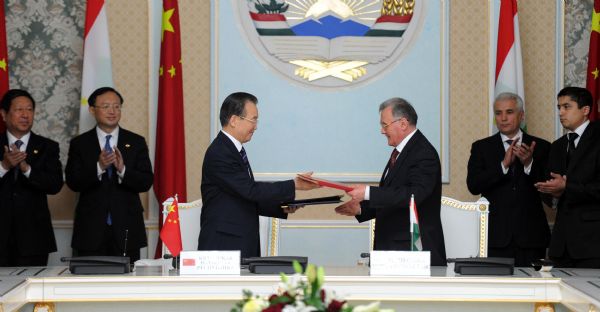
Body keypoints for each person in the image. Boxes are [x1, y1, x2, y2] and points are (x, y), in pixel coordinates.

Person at [198, 92, 318, 258]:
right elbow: (250, 190)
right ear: (234, 120)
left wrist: (282, 206)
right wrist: (294, 184)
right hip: (224, 246)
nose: (256, 126)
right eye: (253, 120)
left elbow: (242, 198)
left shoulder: (233, 150)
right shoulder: (220, 153)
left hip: (239, 242)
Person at [335, 97, 446, 266]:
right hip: (394, 250)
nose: (382, 131)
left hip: (412, 252)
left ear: (402, 123)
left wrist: (367, 193)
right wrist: (361, 208)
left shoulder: (423, 153)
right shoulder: (402, 151)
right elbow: (393, 196)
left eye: (384, 125)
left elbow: (414, 195)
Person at [66, 87, 153, 263]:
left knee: (127, 286)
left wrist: (122, 170)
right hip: (90, 230)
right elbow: (73, 182)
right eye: (105, 106)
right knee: (88, 285)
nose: (112, 111)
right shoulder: (80, 144)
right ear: (92, 110)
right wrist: (99, 167)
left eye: (116, 106)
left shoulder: (135, 142)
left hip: (127, 228)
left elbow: (146, 181)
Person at [466, 92, 551, 267]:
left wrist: (529, 164)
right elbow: (473, 185)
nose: (503, 118)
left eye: (509, 112)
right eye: (498, 113)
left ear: (521, 115)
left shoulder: (542, 146)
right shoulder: (481, 147)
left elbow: (551, 191)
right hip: (494, 237)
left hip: (532, 237)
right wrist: (503, 165)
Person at [535, 87, 600, 268]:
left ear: (585, 110)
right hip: (561, 245)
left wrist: (567, 186)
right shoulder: (557, 146)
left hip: (593, 244)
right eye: (559, 107)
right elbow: (551, 190)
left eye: (566, 107)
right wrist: (551, 192)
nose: (561, 113)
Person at [0, 89, 63, 266]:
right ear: (4, 114)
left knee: (32, 291)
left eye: (29, 110)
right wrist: (4, 166)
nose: (25, 115)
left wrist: (27, 169)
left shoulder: (47, 146)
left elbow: (55, 185)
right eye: (19, 109)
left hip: (34, 239)